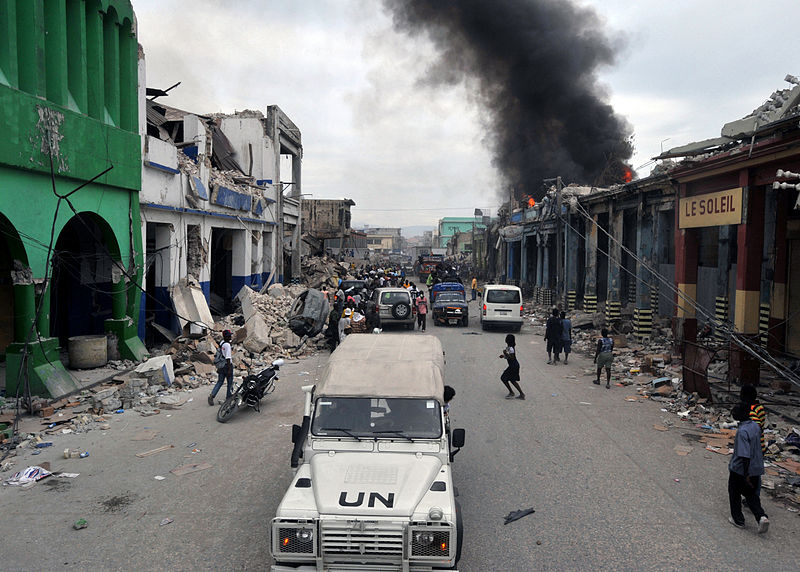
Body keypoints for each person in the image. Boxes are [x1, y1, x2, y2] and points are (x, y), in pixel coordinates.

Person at [728, 403, 769, 533]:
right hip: (756, 467)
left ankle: (738, 520)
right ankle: (761, 517)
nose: (733, 413)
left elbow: (744, 455)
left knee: (734, 493)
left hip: (741, 470)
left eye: (735, 411)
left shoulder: (742, 432)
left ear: (741, 415)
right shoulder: (755, 426)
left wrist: (746, 474)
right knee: (751, 495)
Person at [209, 329, 233, 405]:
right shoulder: (227, 345)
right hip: (227, 365)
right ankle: (229, 397)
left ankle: (212, 395)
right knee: (230, 382)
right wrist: (229, 369)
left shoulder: (222, 343)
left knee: (220, 382)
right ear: (225, 336)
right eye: (228, 336)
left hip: (221, 366)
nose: (230, 337)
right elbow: (228, 357)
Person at [499, 334, 525, 400]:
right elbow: (509, 357)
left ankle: (512, 392)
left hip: (513, 366)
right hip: (514, 365)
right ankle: (521, 394)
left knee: (504, 378)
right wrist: (504, 356)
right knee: (512, 380)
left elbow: (512, 357)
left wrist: (505, 354)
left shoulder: (510, 348)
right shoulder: (509, 347)